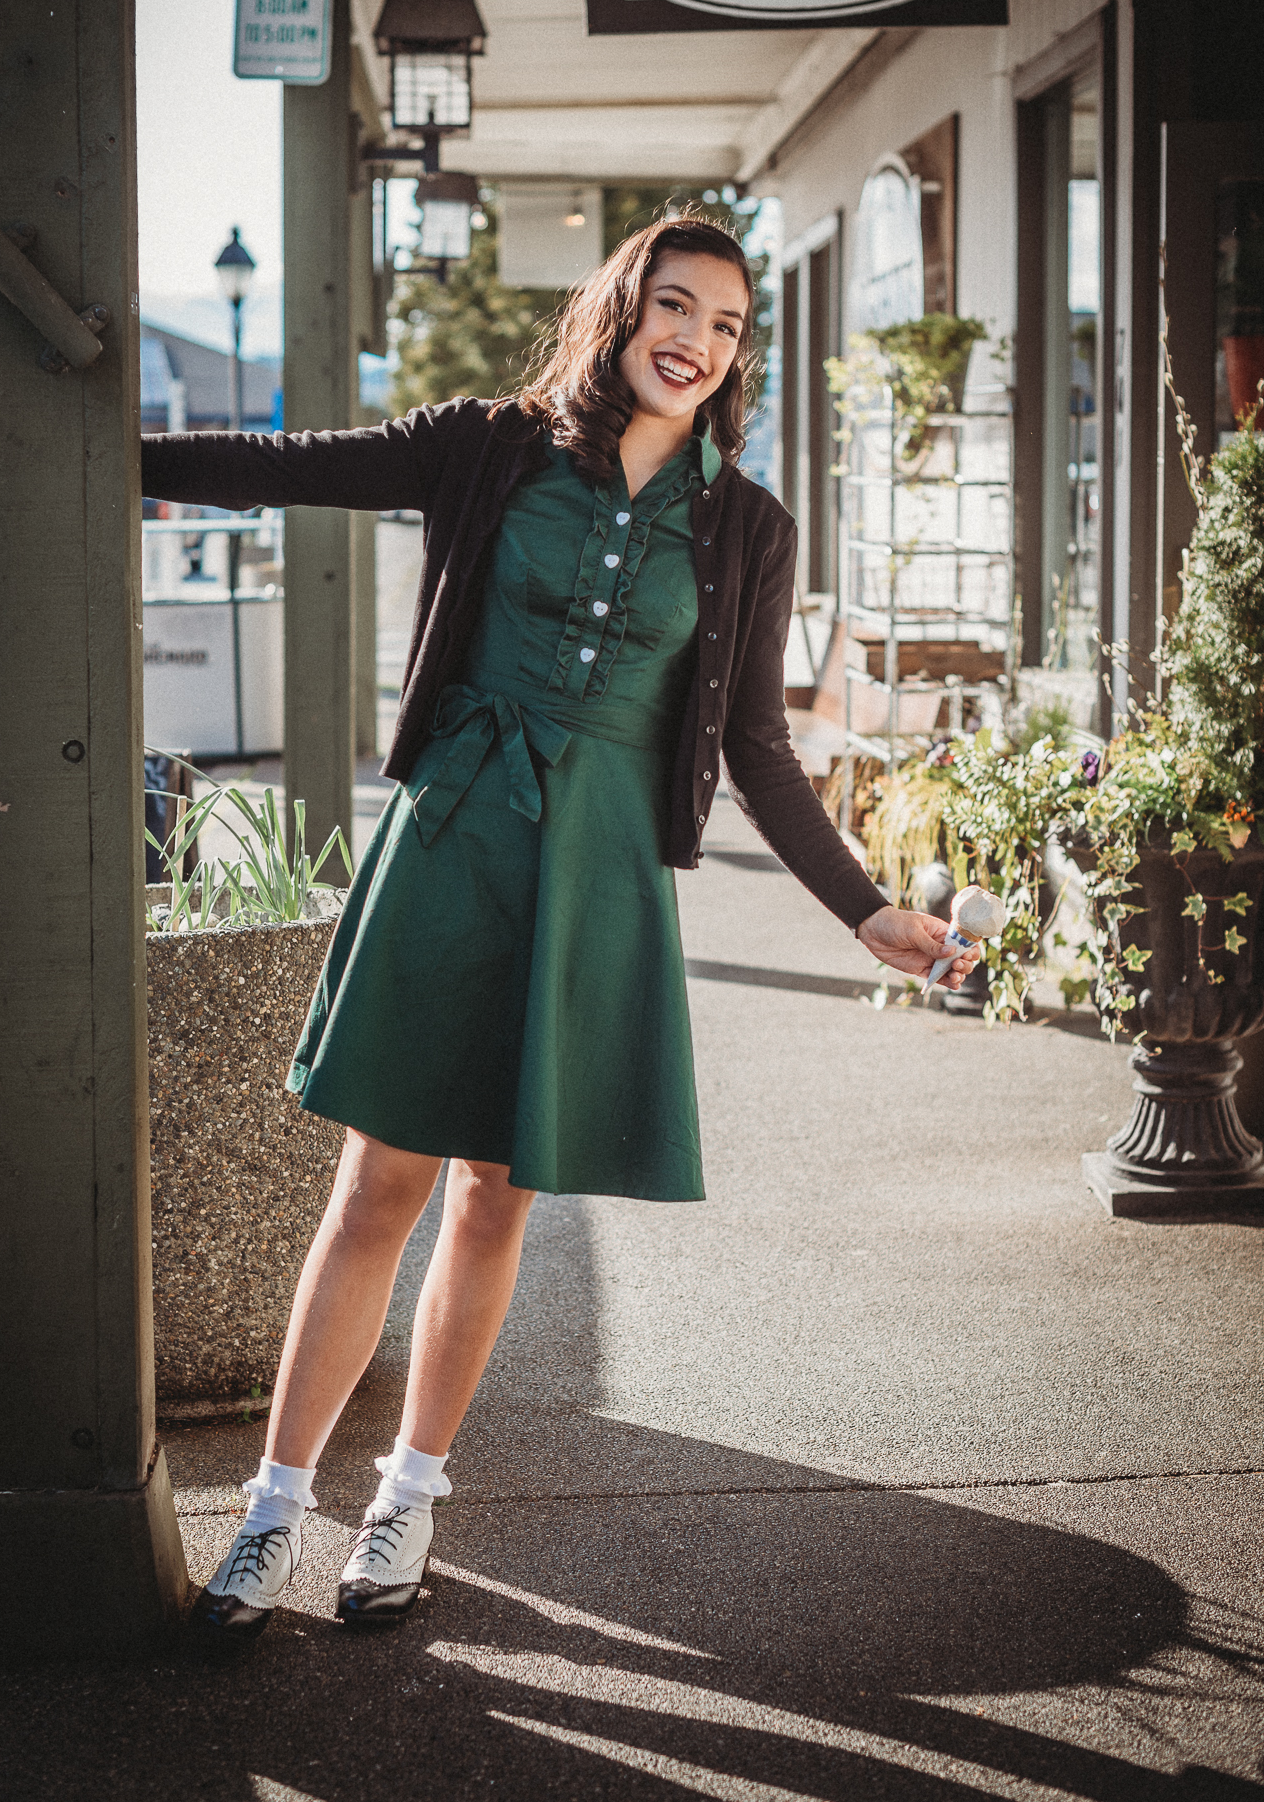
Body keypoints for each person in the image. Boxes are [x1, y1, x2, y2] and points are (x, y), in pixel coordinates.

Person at [140, 215, 978, 1643]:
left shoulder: (746, 525)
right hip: (456, 835)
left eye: (725, 324)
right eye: (676, 303)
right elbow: (289, 469)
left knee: (494, 1191)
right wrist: (104, 443)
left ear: (737, 355)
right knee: (378, 1181)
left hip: (598, 873)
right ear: (623, 307)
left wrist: (867, 910)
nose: (698, 340)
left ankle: (408, 1496)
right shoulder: (491, 445)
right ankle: (272, 1515)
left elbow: (757, 745)